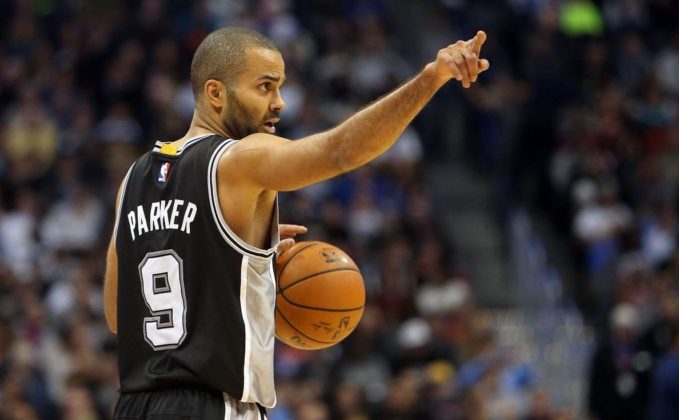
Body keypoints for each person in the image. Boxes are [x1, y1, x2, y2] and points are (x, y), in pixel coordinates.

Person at [103, 26, 489, 420]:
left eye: (280, 87)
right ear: (216, 93)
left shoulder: (134, 178)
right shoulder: (239, 157)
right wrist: (430, 78)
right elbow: (339, 151)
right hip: (211, 406)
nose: (280, 102)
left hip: (134, 407)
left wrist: (232, 264)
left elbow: (118, 315)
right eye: (265, 87)